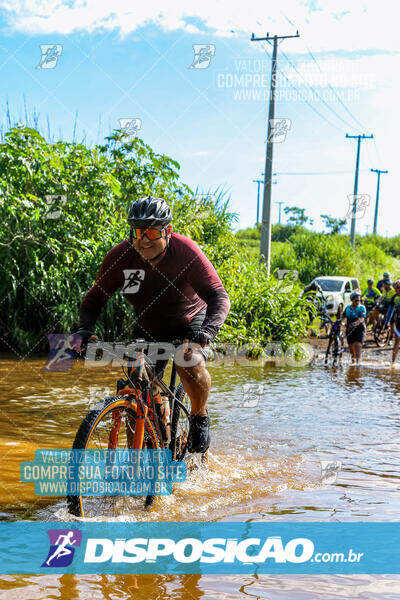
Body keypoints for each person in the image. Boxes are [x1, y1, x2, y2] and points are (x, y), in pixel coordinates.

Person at [76, 196, 231, 453]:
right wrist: (85, 330)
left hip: (191, 319)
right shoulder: (121, 257)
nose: (143, 239)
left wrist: (208, 330)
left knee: (188, 358)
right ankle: (143, 451)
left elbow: (218, 295)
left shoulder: (185, 251)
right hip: (149, 324)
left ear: (167, 231)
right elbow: (95, 298)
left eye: (150, 232)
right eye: (137, 231)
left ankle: (199, 415)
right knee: (135, 379)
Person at [342, 291, 366, 365]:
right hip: (349, 329)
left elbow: (362, 318)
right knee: (351, 348)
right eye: (356, 300)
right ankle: (353, 363)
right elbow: (343, 317)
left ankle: (358, 364)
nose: (358, 302)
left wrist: (355, 324)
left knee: (357, 345)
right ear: (352, 300)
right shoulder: (347, 308)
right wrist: (341, 323)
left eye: (359, 300)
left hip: (360, 329)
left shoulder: (362, 307)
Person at [385, 280, 400, 365]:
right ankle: (393, 362)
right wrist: (387, 322)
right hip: (399, 321)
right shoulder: (395, 297)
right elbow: (390, 311)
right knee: (397, 341)